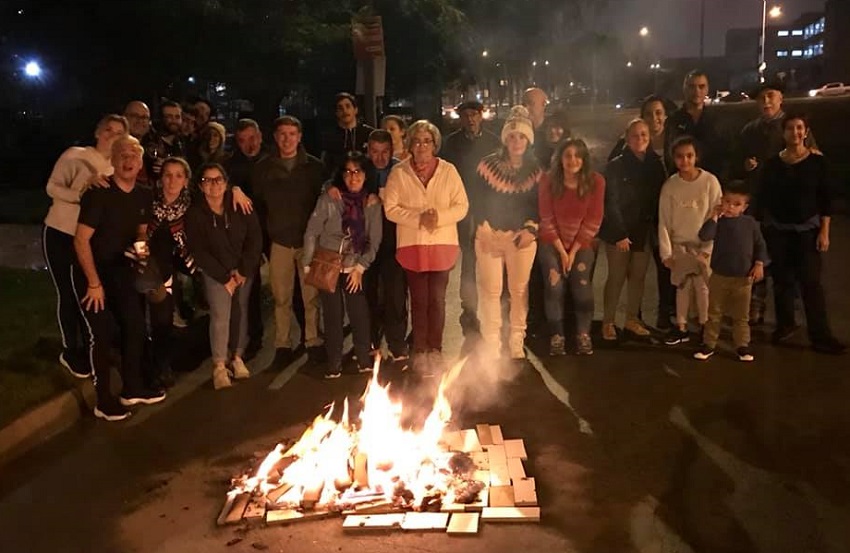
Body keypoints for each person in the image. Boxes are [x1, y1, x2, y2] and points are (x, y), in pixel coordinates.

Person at [72, 135, 166, 421]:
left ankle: (132, 387)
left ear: (141, 164)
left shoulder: (143, 194)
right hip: (93, 274)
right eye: (123, 155)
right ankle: (103, 401)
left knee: (135, 327)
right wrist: (93, 283)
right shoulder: (98, 193)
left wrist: (141, 245)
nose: (129, 161)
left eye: (134, 156)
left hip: (122, 271)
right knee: (101, 334)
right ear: (112, 160)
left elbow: (140, 230)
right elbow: (80, 240)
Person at [43, 114, 128, 379]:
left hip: (89, 239)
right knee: (67, 291)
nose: (111, 136)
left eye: (118, 133)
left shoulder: (117, 165)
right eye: (108, 130)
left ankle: (94, 346)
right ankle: (71, 349)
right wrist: (81, 191)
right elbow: (52, 187)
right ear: (98, 131)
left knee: (87, 292)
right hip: (61, 232)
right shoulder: (75, 155)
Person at [754, 112, 846, 355]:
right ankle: (785, 325)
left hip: (808, 231)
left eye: (799, 128)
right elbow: (762, 198)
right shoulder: (773, 164)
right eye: (790, 128)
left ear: (805, 132)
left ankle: (821, 335)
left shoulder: (818, 163)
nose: (794, 133)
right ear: (783, 133)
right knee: (782, 282)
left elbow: (825, 199)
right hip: (778, 232)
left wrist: (824, 231)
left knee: (811, 284)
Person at [383, 120, 469, 373]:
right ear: (409, 143)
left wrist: (438, 217)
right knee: (419, 300)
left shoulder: (449, 171)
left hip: (442, 243)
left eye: (427, 141)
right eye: (417, 141)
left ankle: (436, 349)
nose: (421, 146)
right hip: (413, 245)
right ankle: (420, 349)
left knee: (438, 300)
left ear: (435, 144)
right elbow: (390, 209)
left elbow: (461, 205)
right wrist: (418, 218)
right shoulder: (399, 173)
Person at [737, 81, 817, 326]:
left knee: (787, 264)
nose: (766, 102)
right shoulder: (750, 130)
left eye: (770, 96)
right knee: (756, 257)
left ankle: (789, 315)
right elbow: (735, 161)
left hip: (789, 208)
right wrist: (744, 165)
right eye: (761, 98)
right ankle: (756, 308)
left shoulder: (793, 127)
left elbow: (813, 158)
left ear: (781, 98)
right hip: (758, 204)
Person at [251, 116, 327, 366]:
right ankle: (282, 345)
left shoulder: (314, 168)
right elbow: (258, 208)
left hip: (308, 243)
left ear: (300, 136)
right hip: (280, 241)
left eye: (292, 133)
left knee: (310, 297)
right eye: (282, 134)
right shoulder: (264, 169)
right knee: (281, 298)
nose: (287, 139)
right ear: (275, 136)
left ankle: (313, 340)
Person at [469, 106, 541, 360]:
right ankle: (491, 342)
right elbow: (475, 199)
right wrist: (482, 226)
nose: (516, 141)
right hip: (490, 235)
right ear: (505, 138)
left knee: (519, 291)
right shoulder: (487, 165)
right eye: (512, 136)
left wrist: (531, 229)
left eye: (521, 136)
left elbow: (540, 206)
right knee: (491, 291)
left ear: (528, 139)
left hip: (520, 238)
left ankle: (516, 340)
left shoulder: (536, 170)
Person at [303, 152, 383, 378]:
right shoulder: (330, 198)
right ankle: (334, 362)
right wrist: (308, 262)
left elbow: (374, 240)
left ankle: (363, 357)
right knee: (332, 314)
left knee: (358, 312)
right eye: (348, 172)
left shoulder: (372, 202)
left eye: (357, 171)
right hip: (328, 264)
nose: (353, 177)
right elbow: (313, 230)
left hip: (354, 264)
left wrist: (360, 268)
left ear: (366, 175)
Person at [185, 164, 263, 389]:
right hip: (216, 272)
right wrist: (223, 277)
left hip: (242, 269)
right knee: (221, 316)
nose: (214, 185)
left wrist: (244, 269)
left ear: (226, 183)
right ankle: (219, 364)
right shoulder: (196, 214)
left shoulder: (240, 205)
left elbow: (254, 237)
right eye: (208, 180)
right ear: (201, 185)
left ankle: (237, 357)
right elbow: (198, 249)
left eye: (218, 180)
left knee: (241, 310)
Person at [600, 119, 667, 342]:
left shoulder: (656, 165)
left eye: (644, 135)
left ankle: (631, 319)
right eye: (635, 135)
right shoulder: (615, 166)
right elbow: (610, 201)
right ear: (627, 138)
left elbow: (661, 197)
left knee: (638, 277)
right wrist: (619, 233)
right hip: (619, 232)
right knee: (617, 277)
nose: (640, 139)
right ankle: (608, 322)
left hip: (643, 230)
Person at [538, 138, 605, 356]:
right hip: (551, 241)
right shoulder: (548, 181)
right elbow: (546, 218)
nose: (572, 160)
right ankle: (557, 336)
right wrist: (561, 251)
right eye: (567, 155)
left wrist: (573, 252)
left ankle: (583, 334)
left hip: (582, 242)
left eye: (578, 155)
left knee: (582, 286)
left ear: (584, 159)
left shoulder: (596, 182)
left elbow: (594, 220)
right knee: (554, 287)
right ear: (560, 159)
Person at [441, 100, 501, 333]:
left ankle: (493, 306)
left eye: (474, 114)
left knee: (489, 258)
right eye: (466, 115)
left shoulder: (494, 142)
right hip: (461, 206)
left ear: (481, 116)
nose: (471, 119)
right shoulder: (452, 143)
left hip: (488, 206)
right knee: (467, 258)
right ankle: (469, 307)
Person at [658, 136, 722, 346]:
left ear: (696, 156)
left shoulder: (710, 182)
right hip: (680, 247)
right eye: (679, 156)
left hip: (702, 246)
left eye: (689, 156)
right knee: (682, 287)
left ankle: (705, 325)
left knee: (703, 287)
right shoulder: (670, 186)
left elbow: (716, 215)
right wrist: (666, 253)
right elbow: (664, 221)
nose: (685, 161)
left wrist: (708, 247)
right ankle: (681, 326)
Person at [693, 180, 767, 362]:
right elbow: (704, 235)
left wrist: (759, 263)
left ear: (744, 207)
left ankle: (742, 345)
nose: (731, 207)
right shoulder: (718, 223)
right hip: (719, 276)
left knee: (741, 315)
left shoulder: (750, 224)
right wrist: (713, 217)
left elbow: (760, 245)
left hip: (743, 278)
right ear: (721, 201)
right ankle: (709, 344)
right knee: (714, 313)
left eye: (737, 204)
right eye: (727, 202)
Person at [144, 157, 197, 389]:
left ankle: (163, 365)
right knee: (154, 317)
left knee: (163, 319)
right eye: (167, 174)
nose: (172, 180)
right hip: (148, 266)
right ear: (160, 178)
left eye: (178, 175)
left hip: (176, 268)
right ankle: (153, 364)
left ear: (186, 181)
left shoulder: (192, 207)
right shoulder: (147, 202)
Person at [224, 118, 271, 357]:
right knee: (250, 289)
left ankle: (309, 336)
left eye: (252, 138)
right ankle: (254, 337)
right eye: (242, 140)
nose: (249, 144)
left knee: (292, 288)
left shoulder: (272, 160)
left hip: (274, 229)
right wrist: (232, 188)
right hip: (248, 235)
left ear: (260, 137)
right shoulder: (231, 167)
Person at [667, 71, 726, 180]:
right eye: (692, 86)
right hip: (682, 181)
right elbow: (669, 154)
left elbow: (725, 152)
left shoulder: (717, 119)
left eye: (701, 86)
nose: (697, 91)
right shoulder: (673, 120)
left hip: (711, 181)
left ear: (707, 89)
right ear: (684, 89)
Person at [321, 92, 374, 172]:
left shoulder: (370, 134)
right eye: (340, 108)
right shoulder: (329, 137)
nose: (344, 111)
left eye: (348, 106)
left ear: (355, 110)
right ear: (336, 113)